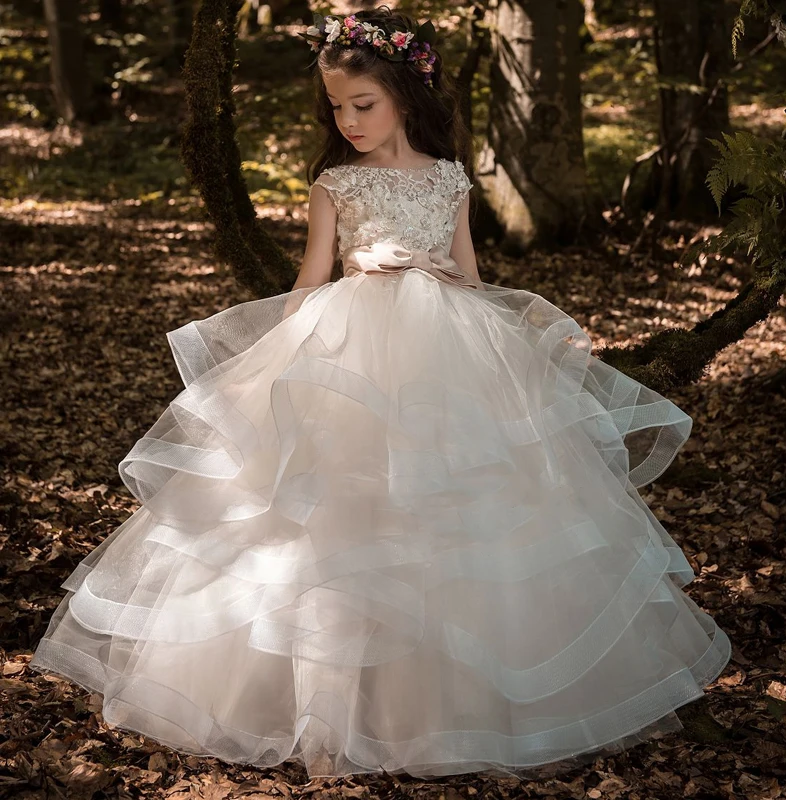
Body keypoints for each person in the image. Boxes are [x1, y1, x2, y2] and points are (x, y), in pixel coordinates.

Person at [29, 5, 732, 781]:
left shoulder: (451, 178)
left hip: (452, 347)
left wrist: (513, 323)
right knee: (341, 515)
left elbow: (470, 275)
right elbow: (309, 279)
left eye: (362, 104)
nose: (348, 119)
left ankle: (444, 705)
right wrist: (273, 365)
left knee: (456, 509)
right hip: (351, 348)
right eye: (336, 107)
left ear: (404, 93)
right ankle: (331, 701)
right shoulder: (335, 183)